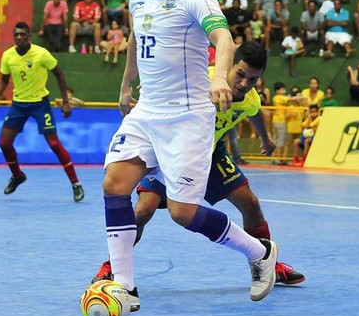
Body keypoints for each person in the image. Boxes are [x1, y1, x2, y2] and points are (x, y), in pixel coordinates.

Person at [101, 0, 279, 311]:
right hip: (148, 110)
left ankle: (259, 253)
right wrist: (126, 86)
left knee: (183, 213)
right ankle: (125, 288)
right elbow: (135, 39)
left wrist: (219, 78)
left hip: (187, 117)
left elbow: (224, 38)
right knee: (115, 183)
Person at [92, 42, 304, 287]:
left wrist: (265, 138)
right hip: (172, 150)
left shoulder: (250, 98)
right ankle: (111, 266)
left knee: (250, 203)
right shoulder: (202, 80)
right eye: (241, 75)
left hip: (211, 153)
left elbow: (254, 112)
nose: (244, 84)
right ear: (229, 65)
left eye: (253, 79)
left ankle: (269, 263)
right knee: (142, 210)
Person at [0, 22, 84, 202]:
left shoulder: (41, 54)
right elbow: (4, 81)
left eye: (23, 34)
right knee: (4, 143)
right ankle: (18, 176)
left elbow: (59, 75)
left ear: (29, 36)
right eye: (16, 35)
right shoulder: (8, 56)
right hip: (18, 105)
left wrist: (65, 102)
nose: (19, 38)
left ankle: (76, 184)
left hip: (40, 104)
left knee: (54, 144)